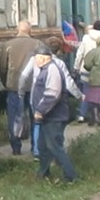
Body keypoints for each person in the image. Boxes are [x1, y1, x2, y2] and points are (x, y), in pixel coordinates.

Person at [30, 35, 78, 184]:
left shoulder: (52, 70)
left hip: (54, 117)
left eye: (36, 58)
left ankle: (71, 176)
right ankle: (43, 174)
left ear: (43, 58)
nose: (35, 61)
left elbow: (52, 94)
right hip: (48, 117)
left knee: (55, 147)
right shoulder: (46, 69)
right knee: (43, 147)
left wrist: (40, 110)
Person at [0, 21, 40, 156]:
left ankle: (16, 148)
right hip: (34, 86)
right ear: (30, 30)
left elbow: (3, 67)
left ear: (17, 30)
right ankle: (35, 147)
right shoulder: (38, 44)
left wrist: (7, 83)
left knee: (14, 117)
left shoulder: (8, 45)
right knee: (35, 117)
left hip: (14, 86)